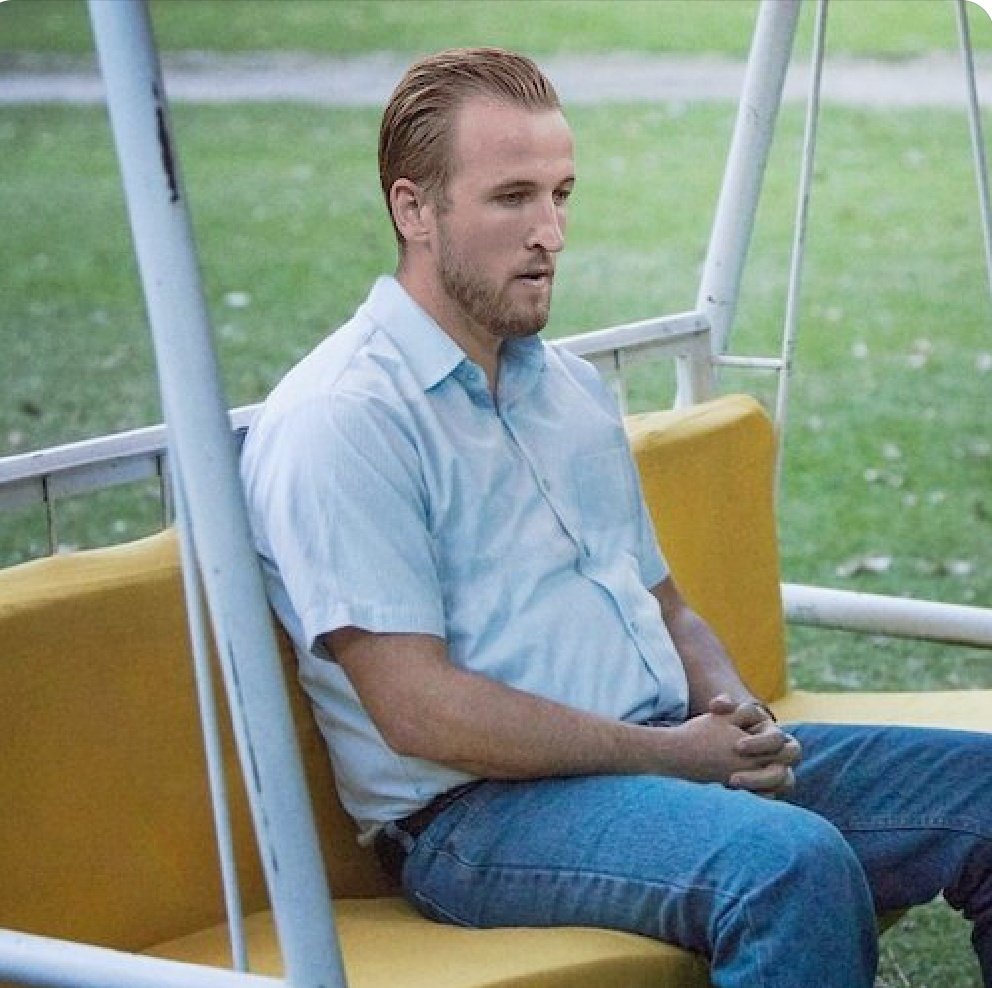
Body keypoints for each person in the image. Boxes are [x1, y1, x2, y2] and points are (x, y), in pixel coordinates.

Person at [240, 47, 992, 987]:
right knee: (787, 867)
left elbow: (665, 604)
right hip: (476, 816)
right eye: (512, 198)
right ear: (414, 210)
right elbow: (417, 708)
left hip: (660, 758)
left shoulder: (566, 390)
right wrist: (676, 757)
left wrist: (734, 712)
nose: (550, 231)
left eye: (562, 194)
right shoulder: (345, 418)